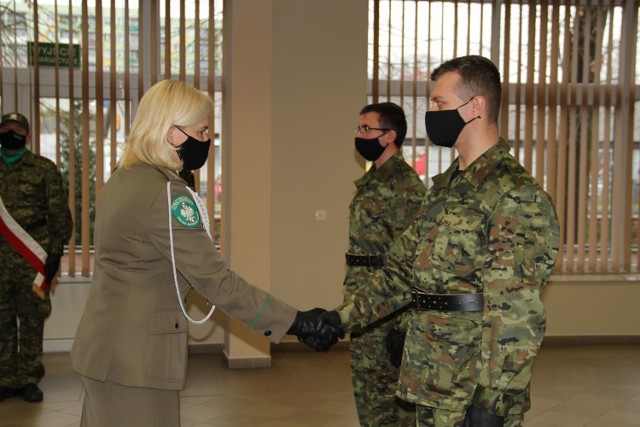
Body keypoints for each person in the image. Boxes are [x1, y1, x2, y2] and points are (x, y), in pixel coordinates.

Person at [69, 80, 340, 427]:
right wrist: (296, 321)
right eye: (203, 130)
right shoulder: (167, 193)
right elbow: (216, 281)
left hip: (106, 348)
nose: (208, 139)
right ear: (173, 135)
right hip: (134, 361)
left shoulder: (123, 178)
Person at [311, 55, 561, 426]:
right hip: (430, 378)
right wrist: (338, 319)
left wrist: (490, 403)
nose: (430, 112)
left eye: (438, 103)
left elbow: (515, 317)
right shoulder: (445, 190)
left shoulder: (514, 194)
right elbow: (399, 272)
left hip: (470, 389)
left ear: (475, 106)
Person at [346, 102, 425, 426]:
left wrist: (403, 323)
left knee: (388, 397)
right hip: (365, 298)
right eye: (359, 128)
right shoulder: (374, 179)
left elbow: (413, 259)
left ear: (389, 135)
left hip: (386, 308)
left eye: (367, 129)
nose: (359, 134)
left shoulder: (405, 187)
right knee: (368, 391)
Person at [0, 112, 73, 403]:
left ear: (27, 136)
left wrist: (55, 251)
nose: (10, 132)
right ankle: (6, 377)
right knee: (2, 320)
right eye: (5, 128)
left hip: (31, 255)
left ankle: (29, 377)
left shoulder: (43, 169)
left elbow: (58, 214)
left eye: (17, 129)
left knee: (32, 319)